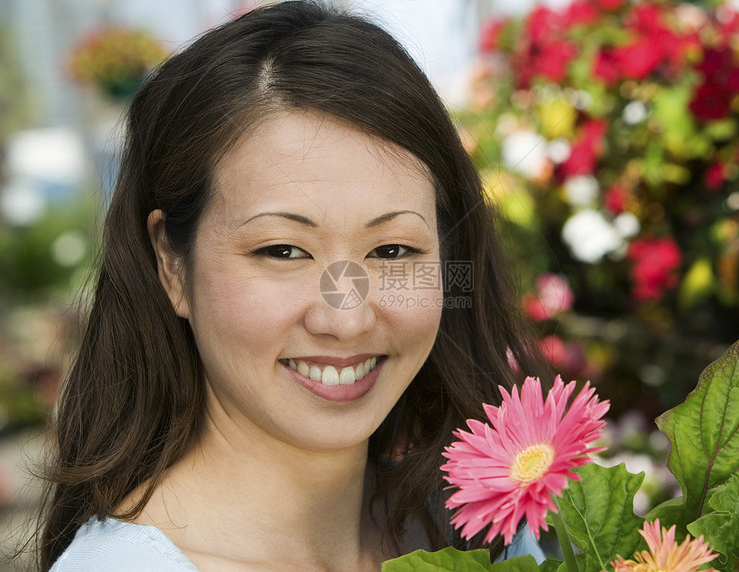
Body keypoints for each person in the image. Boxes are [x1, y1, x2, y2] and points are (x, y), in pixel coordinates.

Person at [37, 1, 550, 570]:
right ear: (172, 263)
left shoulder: (484, 531)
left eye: (393, 250)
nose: (346, 318)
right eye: (282, 251)